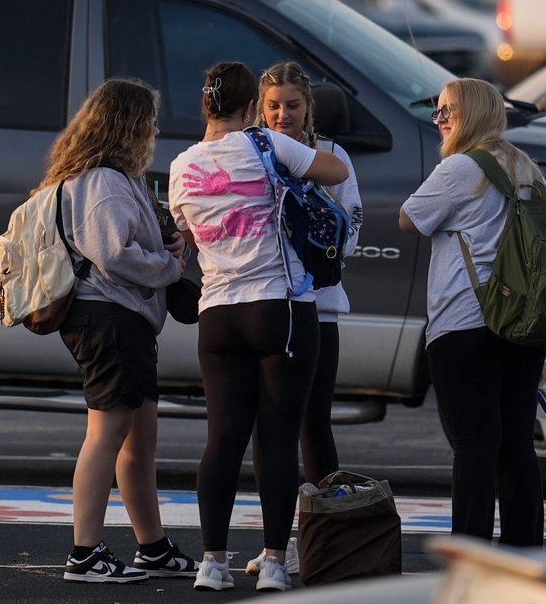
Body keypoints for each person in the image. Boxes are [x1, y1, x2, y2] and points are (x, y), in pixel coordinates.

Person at [169, 60, 348, 592]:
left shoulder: (182, 165)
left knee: (222, 438)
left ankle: (212, 562)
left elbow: (181, 234)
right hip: (281, 307)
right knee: (276, 439)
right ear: (252, 109)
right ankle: (273, 560)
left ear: (205, 107)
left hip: (217, 312)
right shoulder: (267, 145)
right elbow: (335, 172)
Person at [45, 78, 198, 583]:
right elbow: (113, 253)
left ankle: (151, 547)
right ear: (128, 125)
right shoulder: (102, 183)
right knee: (107, 433)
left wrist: (170, 244)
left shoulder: (117, 178)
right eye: (149, 120)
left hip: (124, 320)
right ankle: (85, 553)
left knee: (140, 438)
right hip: (106, 318)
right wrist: (168, 268)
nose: (156, 128)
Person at [398, 77, 546, 547]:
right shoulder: (527, 168)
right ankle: (524, 552)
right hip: (523, 322)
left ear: (475, 115)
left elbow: (409, 218)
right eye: (437, 112)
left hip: (465, 322)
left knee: (474, 446)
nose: (439, 121)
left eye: (448, 112)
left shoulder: (463, 167)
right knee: (516, 444)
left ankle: (470, 551)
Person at [245, 61, 364, 578]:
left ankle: (320, 538)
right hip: (266, 304)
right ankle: (278, 540)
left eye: (292, 105)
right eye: (273, 105)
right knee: (269, 426)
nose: (282, 114)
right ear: (259, 107)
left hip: (319, 305)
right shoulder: (251, 149)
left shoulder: (332, 156)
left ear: (308, 106)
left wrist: (320, 257)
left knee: (313, 423)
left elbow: (352, 220)